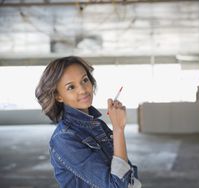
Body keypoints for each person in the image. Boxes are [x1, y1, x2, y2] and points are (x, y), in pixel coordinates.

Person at [35, 56, 141, 188]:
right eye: (71, 87)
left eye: (85, 80)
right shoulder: (64, 138)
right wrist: (118, 129)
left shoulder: (98, 125)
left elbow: (129, 178)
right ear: (58, 96)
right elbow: (119, 185)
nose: (83, 90)